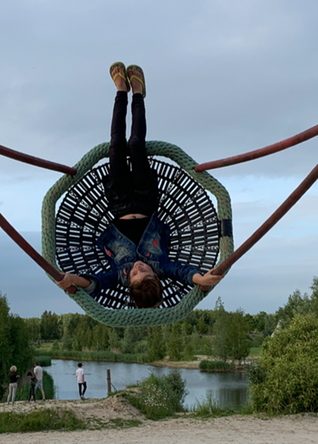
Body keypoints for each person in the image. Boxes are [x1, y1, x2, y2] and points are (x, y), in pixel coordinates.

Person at [55, 62, 223, 308]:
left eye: (135, 274)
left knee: (116, 144)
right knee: (134, 144)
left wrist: (71, 279)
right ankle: (137, 93)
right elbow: (184, 272)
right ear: (155, 275)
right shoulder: (161, 266)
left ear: (129, 283)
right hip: (146, 200)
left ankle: (120, 90)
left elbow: (94, 284)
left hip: (119, 202)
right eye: (145, 271)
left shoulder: (118, 277)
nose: (138, 268)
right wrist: (202, 279)